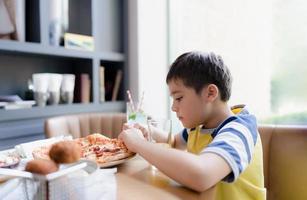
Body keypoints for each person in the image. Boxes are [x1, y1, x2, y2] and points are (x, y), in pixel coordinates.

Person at [119, 51, 266, 200]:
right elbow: (175, 142)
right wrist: (147, 131)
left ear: (210, 93)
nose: (173, 107)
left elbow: (202, 175)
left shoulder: (239, 130)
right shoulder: (199, 127)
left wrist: (137, 143)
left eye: (179, 98)